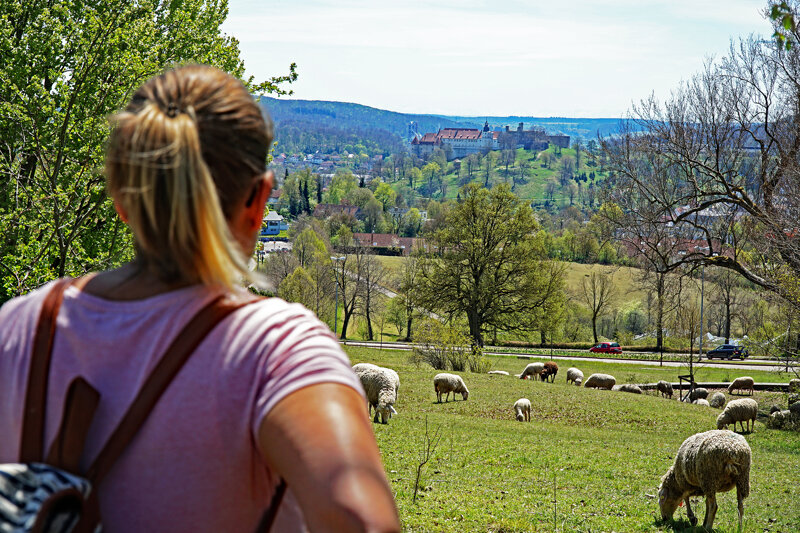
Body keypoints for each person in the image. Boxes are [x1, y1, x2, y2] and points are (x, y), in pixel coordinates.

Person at [0, 65, 400, 533]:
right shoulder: (278, 350)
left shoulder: (18, 326)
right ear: (259, 200)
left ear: (120, 197)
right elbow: (358, 518)